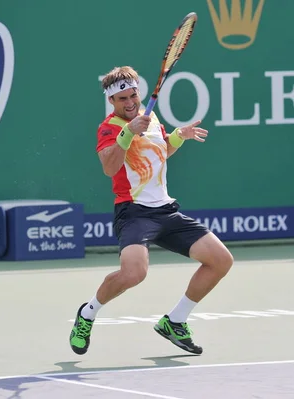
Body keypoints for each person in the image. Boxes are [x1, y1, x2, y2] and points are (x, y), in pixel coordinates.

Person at [69, 66, 234, 355]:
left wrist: (178, 137)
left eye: (133, 95)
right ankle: (87, 313)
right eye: (123, 99)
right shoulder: (109, 128)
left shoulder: (151, 118)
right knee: (134, 273)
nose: (130, 102)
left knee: (221, 260)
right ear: (112, 102)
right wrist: (126, 134)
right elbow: (110, 168)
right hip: (133, 211)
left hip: (166, 210)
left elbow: (159, 152)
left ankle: (175, 321)